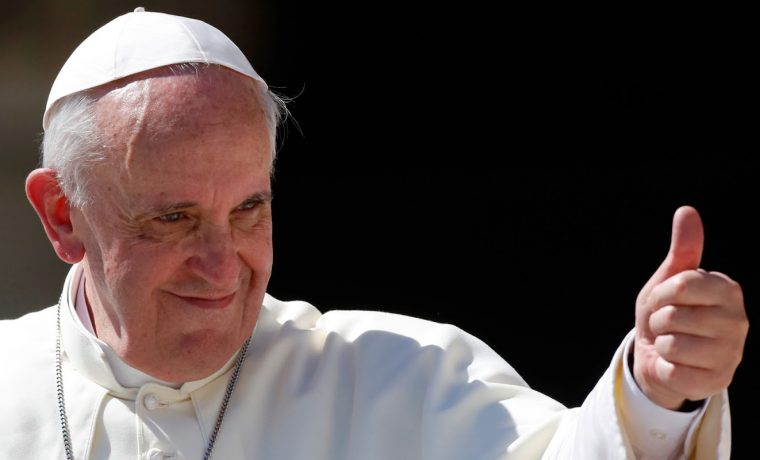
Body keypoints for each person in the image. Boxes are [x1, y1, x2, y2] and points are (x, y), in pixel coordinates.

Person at [0, 7, 748, 460]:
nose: (223, 264)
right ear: (63, 215)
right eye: (175, 218)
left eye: (249, 210)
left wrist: (656, 393)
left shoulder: (398, 376)